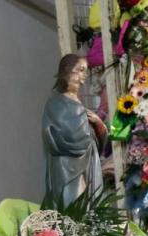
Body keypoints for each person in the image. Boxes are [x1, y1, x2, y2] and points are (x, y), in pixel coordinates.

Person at [42, 54, 106, 205]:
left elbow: (92, 141)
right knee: (72, 209)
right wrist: (86, 126)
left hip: (87, 167)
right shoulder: (55, 104)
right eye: (80, 70)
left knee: (86, 211)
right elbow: (68, 138)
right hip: (66, 169)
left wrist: (99, 125)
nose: (83, 78)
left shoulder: (77, 103)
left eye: (85, 72)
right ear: (67, 71)